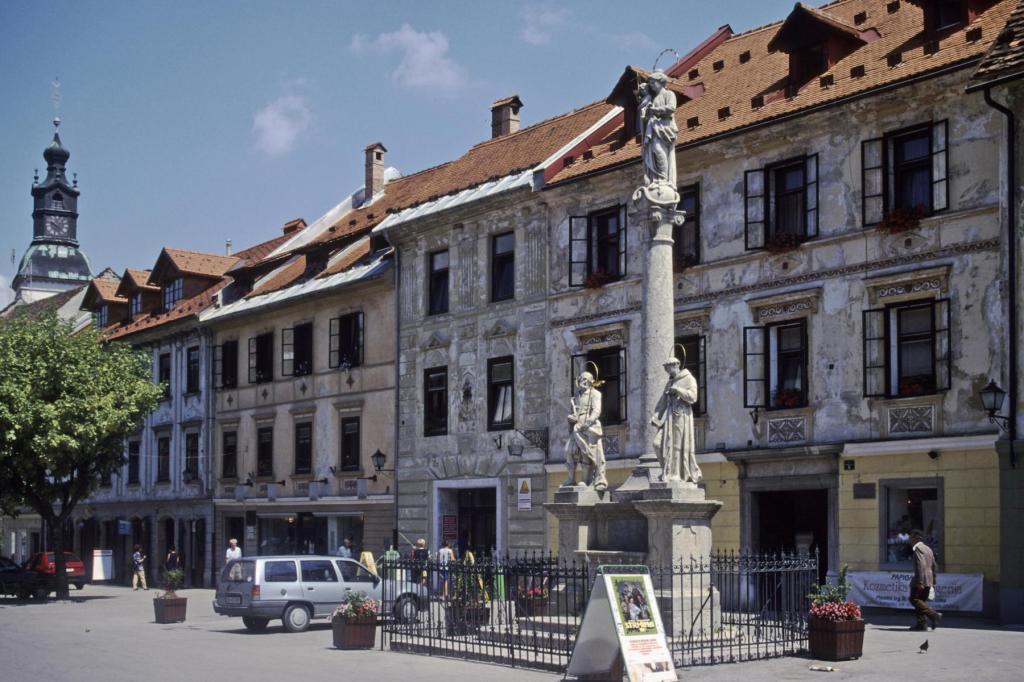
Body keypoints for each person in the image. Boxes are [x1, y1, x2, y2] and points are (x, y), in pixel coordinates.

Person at [651, 356, 702, 484]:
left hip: (682, 415)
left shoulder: (688, 378)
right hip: (669, 417)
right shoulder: (669, 382)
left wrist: (679, 390)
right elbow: (662, 402)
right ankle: (667, 471)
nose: (668, 371)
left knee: (677, 445)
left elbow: (693, 397)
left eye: (669, 368)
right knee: (657, 444)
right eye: (666, 369)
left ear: (677, 365)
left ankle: (676, 474)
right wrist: (656, 416)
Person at [562, 370, 608, 491]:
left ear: (590, 382)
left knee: (586, 453)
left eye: (585, 379)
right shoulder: (576, 397)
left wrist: (587, 423)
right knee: (568, 451)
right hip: (576, 427)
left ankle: (585, 479)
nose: (582, 381)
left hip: (589, 427)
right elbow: (574, 413)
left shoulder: (595, 394)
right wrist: (571, 419)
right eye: (581, 379)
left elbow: (596, 411)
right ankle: (570, 479)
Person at [908, 530, 942, 631]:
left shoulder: (918, 548)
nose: (911, 541)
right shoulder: (928, 549)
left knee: (914, 599)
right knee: (922, 601)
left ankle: (934, 615)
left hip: (921, 579)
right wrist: (933, 580)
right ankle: (921, 624)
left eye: (912, 538)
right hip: (929, 579)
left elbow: (920, 565)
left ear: (917, 538)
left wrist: (920, 582)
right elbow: (934, 566)